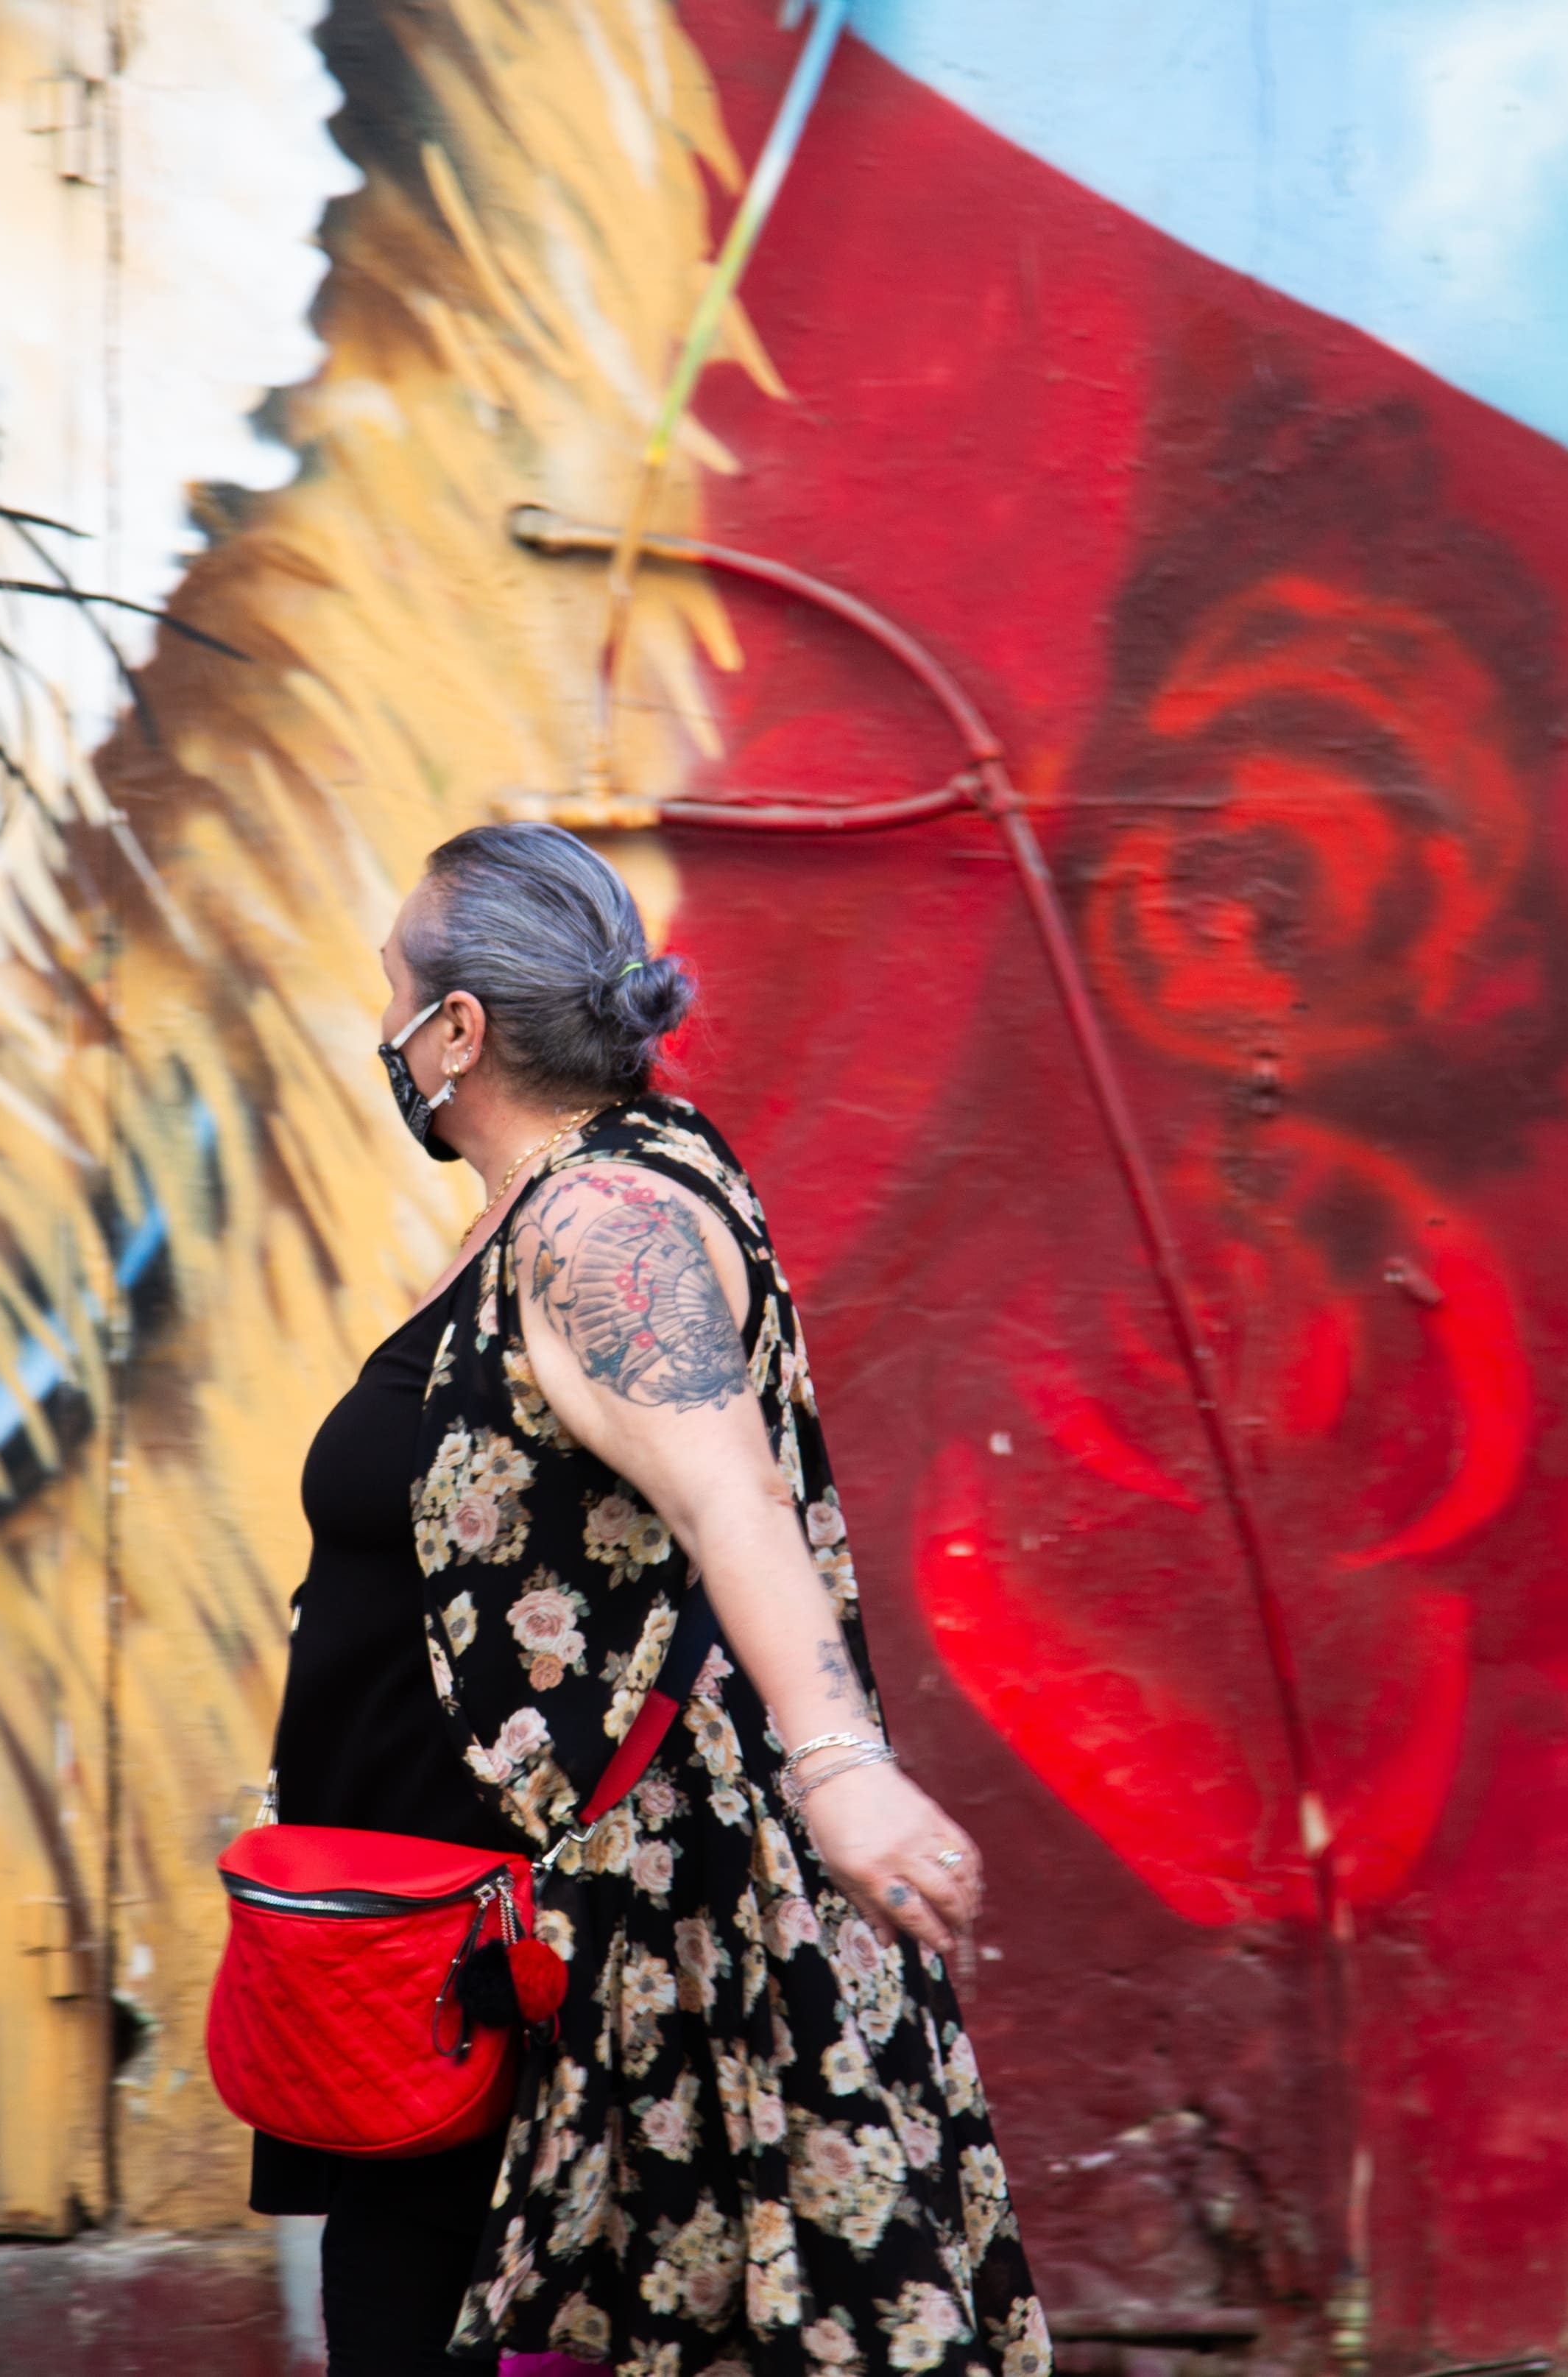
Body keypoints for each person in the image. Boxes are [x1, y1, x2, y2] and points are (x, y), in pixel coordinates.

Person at [250, 823, 1048, 2376]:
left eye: (393, 997)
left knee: (454, 2328)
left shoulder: (604, 1225)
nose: (386, 1036)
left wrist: (843, 1764)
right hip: (448, 1939)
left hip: (551, 1947)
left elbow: (725, 1493)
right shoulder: (568, 1202)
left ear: (458, 1030)